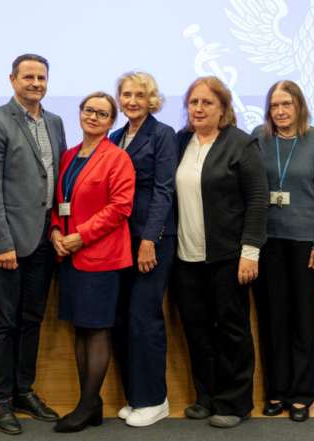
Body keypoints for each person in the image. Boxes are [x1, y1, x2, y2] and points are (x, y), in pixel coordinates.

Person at [0, 54, 67, 435]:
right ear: (13, 80)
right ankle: (0, 400)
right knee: (4, 323)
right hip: (8, 242)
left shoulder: (55, 122)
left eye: (41, 77)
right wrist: (2, 243)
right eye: (28, 76)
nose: (35, 83)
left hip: (44, 238)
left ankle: (22, 391)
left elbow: (57, 180)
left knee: (32, 320)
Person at [172, 76, 268, 429]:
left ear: (224, 108)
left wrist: (250, 252)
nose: (198, 109)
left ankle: (235, 403)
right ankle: (206, 397)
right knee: (197, 330)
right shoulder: (181, 142)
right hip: (186, 257)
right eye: (193, 102)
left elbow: (257, 201)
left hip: (228, 256)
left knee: (232, 331)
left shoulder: (241, 144)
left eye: (207, 102)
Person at [251, 81, 314, 422]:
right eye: (274, 105)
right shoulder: (258, 138)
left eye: (286, 104)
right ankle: (276, 391)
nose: (280, 111)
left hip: (306, 244)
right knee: (272, 319)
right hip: (267, 242)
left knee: (303, 320)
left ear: (299, 105)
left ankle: (301, 395)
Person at [50, 92, 135, 433]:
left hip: (100, 256)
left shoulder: (117, 158)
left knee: (96, 329)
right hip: (68, 255)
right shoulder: (69, 155)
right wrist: (56, 231)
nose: (93, 117)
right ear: (80, 113)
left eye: (102, 113)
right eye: (89, 110)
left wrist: (80, 236)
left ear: (112, 122)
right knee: (81, 327)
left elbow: (119, 208)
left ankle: (86, 405)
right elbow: (59, 202)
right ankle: (92, 404)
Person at [108, 72, 177, 427]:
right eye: (126, 94)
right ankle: (135, 397)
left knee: (143, 318)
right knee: (122, 318)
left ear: (151, 99)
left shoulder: (162, 134)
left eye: (139, 94)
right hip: (118, 240)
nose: (132, 101)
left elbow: (164, 190)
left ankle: (155, 400)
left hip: (152, 240)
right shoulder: (115, 137)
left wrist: (150, 239)